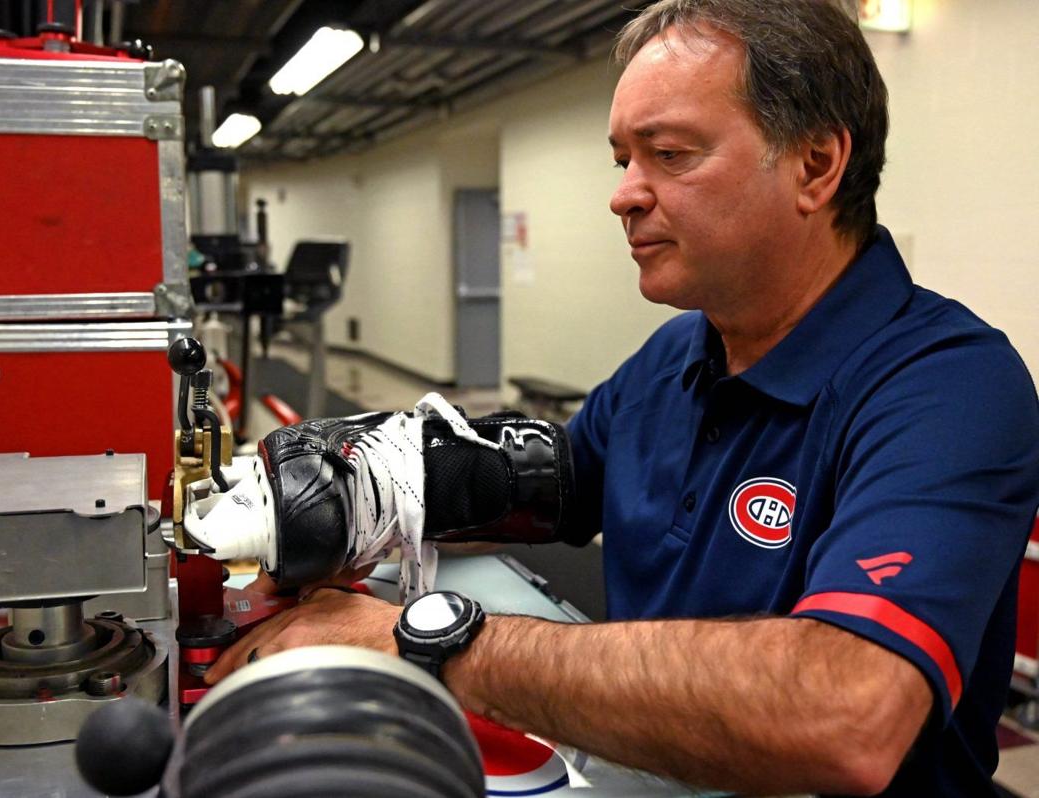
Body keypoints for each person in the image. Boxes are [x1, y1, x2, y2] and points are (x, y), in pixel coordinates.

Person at [201, 1, 1039, 795]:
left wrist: (419, 637)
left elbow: (848, 711)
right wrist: (364, 497)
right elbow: (551, 482)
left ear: (816, 164)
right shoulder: (678, 353)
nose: (624, 194)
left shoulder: (948, 385)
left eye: (669, 155)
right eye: (622, 160)